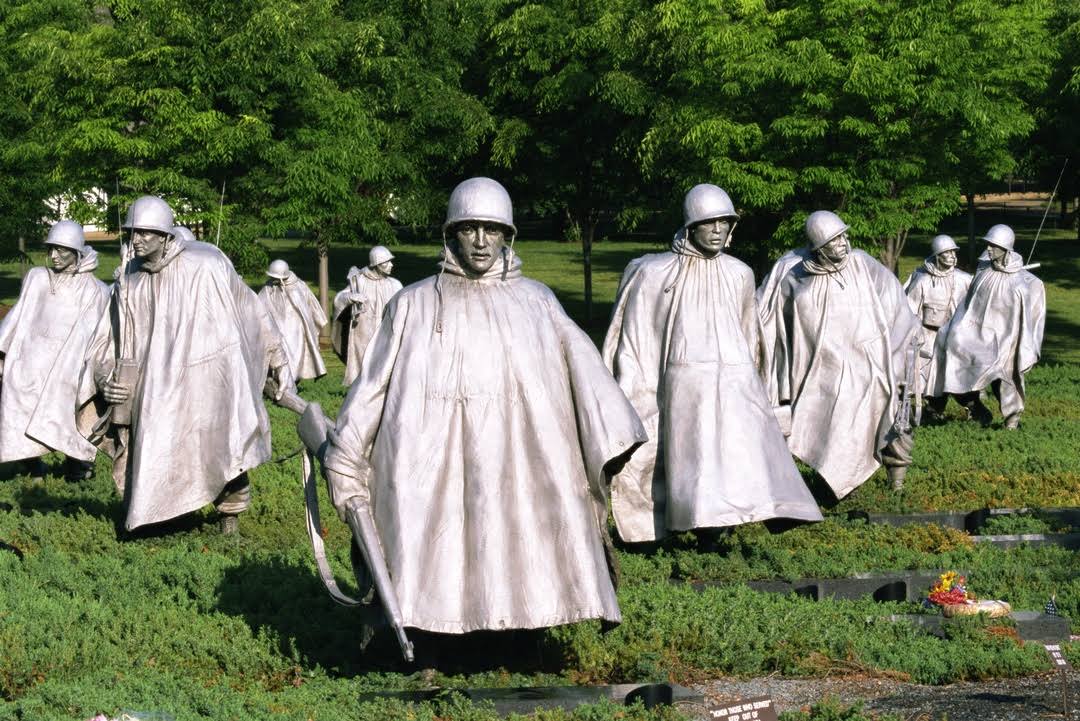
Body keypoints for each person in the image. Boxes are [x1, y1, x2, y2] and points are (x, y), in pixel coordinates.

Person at [320, 177, 646, 635]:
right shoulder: (413, 304)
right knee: (436, 547)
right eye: (469, 228)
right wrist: (346, 448)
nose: (479, 241)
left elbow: (587, 376)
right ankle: (431, 637)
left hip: (519, 459)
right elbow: (372, 386)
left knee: (517, 547)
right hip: (431, 462)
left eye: (491, 230)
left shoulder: (537, 302)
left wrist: (611, 437)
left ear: (507, 236)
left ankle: (520, 634)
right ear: (451, 233)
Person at [602, 184, 821, 543]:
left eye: (725, 222)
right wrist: (630, 387)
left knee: (733, 454)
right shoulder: (655, 273)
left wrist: (755, 384)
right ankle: (680, 527)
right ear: (691, 226)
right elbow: (637, 334)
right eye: (709, 222)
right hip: (683, 382)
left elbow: (750, 333)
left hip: (733, 380)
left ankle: (726, 526)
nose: (717, 230)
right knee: (689, 461)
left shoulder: (739, 274)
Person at [78, 197, 292, 533]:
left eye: (147, 233)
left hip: (207, 375)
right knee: (159, 442)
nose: (137, 240)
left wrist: (276, 356)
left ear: (165, 236)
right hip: (154, 385)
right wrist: (106, 377)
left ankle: (229, 512)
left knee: (218, 440)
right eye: (133, 232)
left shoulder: (206, 264)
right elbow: (108, 338)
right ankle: (162, 513)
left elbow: (250, 308)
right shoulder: (128, 280)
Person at [762, 210, 921, 495]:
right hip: (822, 370)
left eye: (843, 237)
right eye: (834, 241)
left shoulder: (863, 264)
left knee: (891, 412)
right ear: (817, 248)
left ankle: (896, 479)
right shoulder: (795, 277)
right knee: (830, 423)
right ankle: (843, 479)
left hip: (872, 364)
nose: (842, 244)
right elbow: (777, 325)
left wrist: (905, 343)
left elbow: (895, 303)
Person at [0, 221, 109, 480]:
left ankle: (77, 465)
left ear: (77, 252)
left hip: (68, 365)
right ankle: (30, 462)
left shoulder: (95, 289)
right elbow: (18, 316)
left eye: (61, 250)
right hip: (30, 360)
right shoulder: (38, 278)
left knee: (67, 409)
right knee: (18, 398)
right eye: (51, 250)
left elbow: (96, 334)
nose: (54, 256)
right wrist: (3, 353)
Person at [935, 224, 1045, 430]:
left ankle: (1012, 420)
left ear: (1006, 248)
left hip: (1006, 342)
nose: (988, 249)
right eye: (988, 245)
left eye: (993, 246)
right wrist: (955, 330)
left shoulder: (1019, 284)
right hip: (976, 335)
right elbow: (969, 306)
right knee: (954, 361)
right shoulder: (984, 272)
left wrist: (1021, 347)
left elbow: (1024, 321)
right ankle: (975, 407)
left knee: (1005, 378)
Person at [903, 234, 972, 423]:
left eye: (953, 252)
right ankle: (931, 411)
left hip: (956, 337)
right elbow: (909, 311)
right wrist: (914, 335)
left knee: (959, 374)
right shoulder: (923, 281)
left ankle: (975, 408)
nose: (951, 255)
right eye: (946, 252)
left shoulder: (965, 279)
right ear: (937, 256)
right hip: (930, 337)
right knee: (930, 377)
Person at [331, 246, 402, 386]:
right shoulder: (359, 281)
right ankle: (360, 387)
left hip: (385, 331)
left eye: (390, 261)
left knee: (385, 360)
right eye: (386, 262)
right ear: (376, 264)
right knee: (362, 360)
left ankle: (383, 387)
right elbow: (339, 298)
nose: (391, 265)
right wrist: (350, 297)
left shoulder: (395, 285)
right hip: (363, 330)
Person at [259, 259, 327, 382]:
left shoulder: (298, 287)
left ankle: (292, 382)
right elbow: (259, 303)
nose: (273, 280)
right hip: (277, 329)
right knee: (277, 354)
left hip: (295, 330)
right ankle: (278, 382)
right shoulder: (269, 287)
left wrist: (309, 328)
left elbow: (309, 309)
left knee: (295, 356)